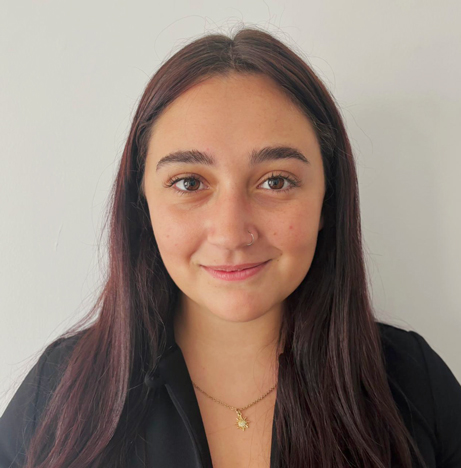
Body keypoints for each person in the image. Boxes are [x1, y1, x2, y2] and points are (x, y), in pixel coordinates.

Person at [0, 27, 460, 468]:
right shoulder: (58, 396)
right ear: (142, 206)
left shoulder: (414, 385)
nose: (231, 232)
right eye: (189, 183)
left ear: (328, 200)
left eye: (276, 181)